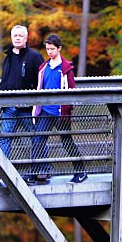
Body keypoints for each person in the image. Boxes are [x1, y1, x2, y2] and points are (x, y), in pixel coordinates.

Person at [28, 34, 84, 184]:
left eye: (52, 49)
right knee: (38, 139)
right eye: (47, 49)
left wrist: (67, 109)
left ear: (59, 48)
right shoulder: (43, 68)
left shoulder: (66, 69)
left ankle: (81, 171)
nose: (50, 52)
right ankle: (34, 173)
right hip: (45, 111)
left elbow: (72, 90)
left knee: (66, 141)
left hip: (60, 113)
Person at [0, 24, 43, 160]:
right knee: (4, 138)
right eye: (15, 36)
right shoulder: (8, 57)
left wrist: (36, 104)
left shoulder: (34, 57)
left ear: (26, 38)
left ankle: (42, 169)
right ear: (11, 38)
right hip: (9, 107)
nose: (17, 38)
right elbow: (4, 81)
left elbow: (41, 82)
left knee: (36, 137)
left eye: (20, 36)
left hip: (27, 108)